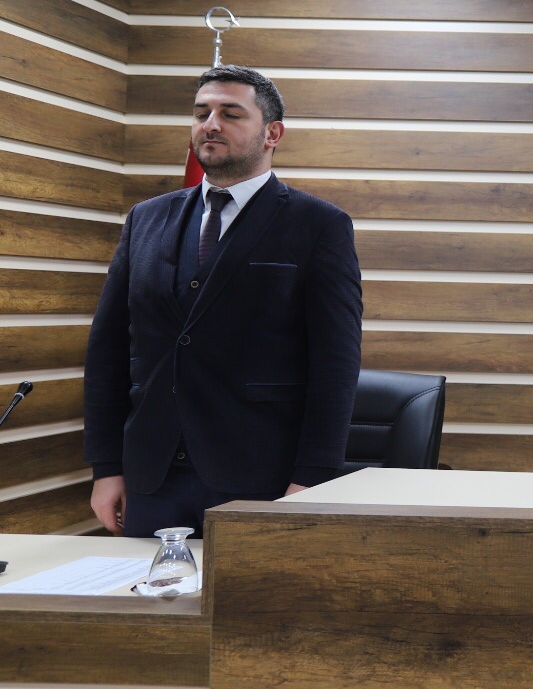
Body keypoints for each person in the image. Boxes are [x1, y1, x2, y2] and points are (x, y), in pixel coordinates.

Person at [83, 65, 363, 537]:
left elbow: (335, 364)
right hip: (151, 479)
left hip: (262, 477)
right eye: (201, 113)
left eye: (230, 114)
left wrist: (312, 478)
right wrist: (106, 466)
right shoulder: (145, 219)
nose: (210, 125)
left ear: (272, 133)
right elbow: (107, 350)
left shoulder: (319, 225)